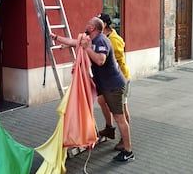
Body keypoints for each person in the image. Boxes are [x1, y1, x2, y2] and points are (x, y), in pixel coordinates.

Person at [50, 17, 134, 162]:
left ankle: (128, 151)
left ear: (94, 28)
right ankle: (108, 130)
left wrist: (87, 48)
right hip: (104, 84)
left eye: (89, 24)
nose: (86, 24)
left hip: (113, 85)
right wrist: (56, 37)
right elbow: (73, 42)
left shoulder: (101, 41)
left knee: (119, 117)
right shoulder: (90, 39)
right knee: (102, 102)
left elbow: (100, 60)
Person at [97, 13, 131, 151]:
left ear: (104, 24)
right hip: (110, 80)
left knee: (121, 111)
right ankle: (109, 128)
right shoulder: (106, 37)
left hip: (120, 80)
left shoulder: (114, 40)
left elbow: (116, 64)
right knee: (101, 100)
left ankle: (125, 141)